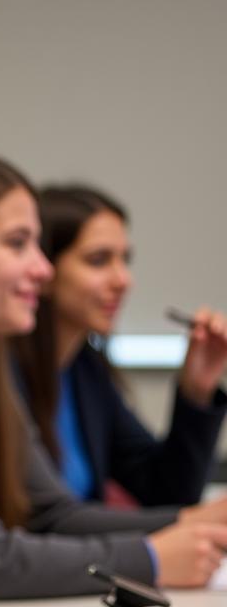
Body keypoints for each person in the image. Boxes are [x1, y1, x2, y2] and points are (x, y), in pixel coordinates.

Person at [0, 149, 227, 607]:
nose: (43, 269)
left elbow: (52, 514)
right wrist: (154, 555)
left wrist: (188, 525)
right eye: (18, 244)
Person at [13, 183, 227, 504]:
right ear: (43, 269)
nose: (124, 280)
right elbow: (43, 522)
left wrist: (197, 389)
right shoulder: (0, 376)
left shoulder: (86, 370)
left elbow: (166, 492)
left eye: (124, 260)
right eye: (99, 261)